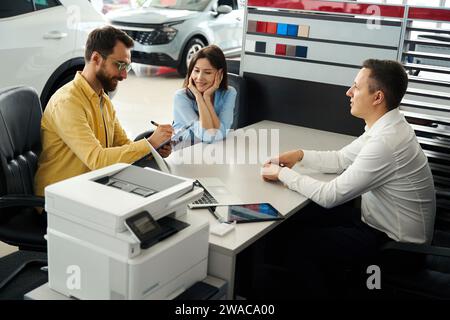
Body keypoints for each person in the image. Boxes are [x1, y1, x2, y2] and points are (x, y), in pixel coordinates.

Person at [260, 59, 436, 298]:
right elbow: (342, 159)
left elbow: (330, 196)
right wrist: (300, 156)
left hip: (396, 247)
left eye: (356, 87)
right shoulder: (387, 125)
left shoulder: (386, 142)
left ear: (377, 98)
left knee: (301, 247)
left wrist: (282, 173)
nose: (349, 92)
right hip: (378, 223)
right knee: (301, 218)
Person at [34, 26, 173, 197]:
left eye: (127, 67)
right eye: (120, 65)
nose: (124, 75)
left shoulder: (102, 99)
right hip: (59, 200)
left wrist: (153, 150)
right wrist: (149, 143)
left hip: (90, 188)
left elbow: (123, 145)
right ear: (96, 58)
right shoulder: (68, 102)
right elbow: (98, 160)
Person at [172, 45, 237, 145]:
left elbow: (222, 133)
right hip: (184, 151)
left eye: (207, 72)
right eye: (196, 71)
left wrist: (206, 98)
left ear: (220, 74)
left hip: (212, 151)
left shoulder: (229, 93)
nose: (199, 77)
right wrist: (199, 98)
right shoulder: (181, 97)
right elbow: (206, 136)